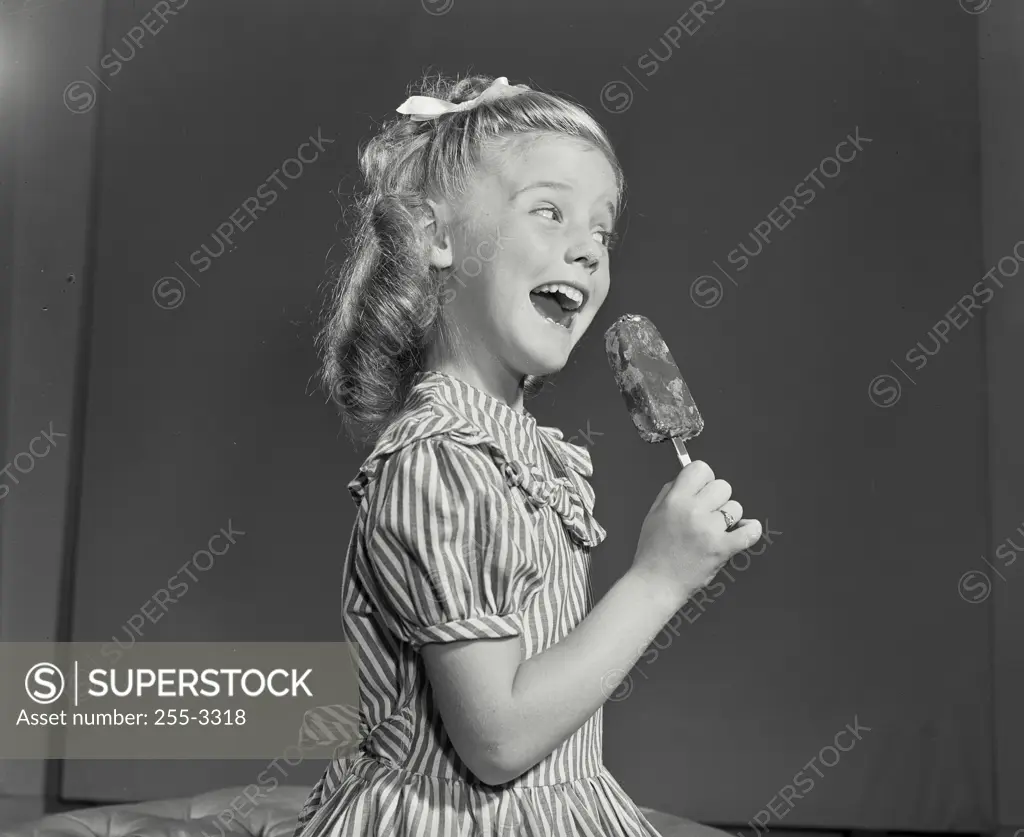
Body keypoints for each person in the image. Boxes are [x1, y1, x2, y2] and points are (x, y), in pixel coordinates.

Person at [294, 72, 763, 836]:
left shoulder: (525, 455)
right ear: (434, 237)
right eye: (550, 211)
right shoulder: (436, 462)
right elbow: (498, 738)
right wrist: (658, 580)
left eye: (603, 233)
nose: (586, 250)